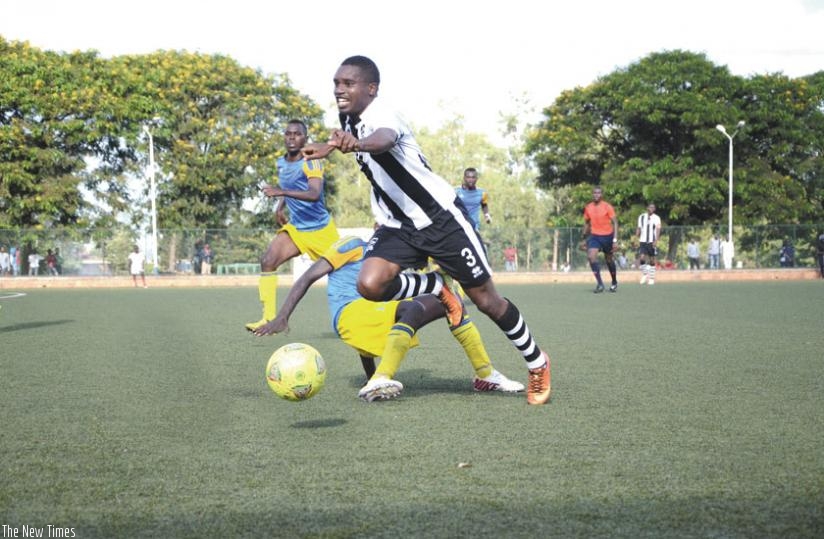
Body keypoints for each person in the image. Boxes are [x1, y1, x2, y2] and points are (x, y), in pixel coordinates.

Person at [300, 55, 550, 405]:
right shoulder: (348, 119)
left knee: (486, 301)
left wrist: (349, 144)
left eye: (348, 83)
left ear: (371, 89)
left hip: (441, 220)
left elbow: (384, 140)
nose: (340, 89)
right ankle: (435, 285)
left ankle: (537, 362)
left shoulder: (381, 115)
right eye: (337, 83)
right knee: (370, 284)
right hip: (399, 225)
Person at [254, 235, 524, 400]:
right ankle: (383, 377)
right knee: (418, 306)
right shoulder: (353, 246)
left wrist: (368, 374)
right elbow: (309, 275)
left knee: (449, 303)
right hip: (348, 314)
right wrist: (282, 316)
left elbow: (367, 339)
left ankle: (485, 375)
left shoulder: (391, 267)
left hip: (359, 318)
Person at [245, 119, 339, 332]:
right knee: (268, 260)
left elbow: (314, 194)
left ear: (305, 138)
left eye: (297, 134)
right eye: (288, 134)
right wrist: (280, 206)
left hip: (321, 230)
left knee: (348, 274)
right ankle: (268, 318)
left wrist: (281, 192)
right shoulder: (281, 162)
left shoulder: (311, 162)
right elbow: (290, 187)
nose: (292, 138)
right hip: (297, 229)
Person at [581, 185, 618, 293]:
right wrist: (584, 238)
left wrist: (615, 240)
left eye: (598, 193)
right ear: (592, 194)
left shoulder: (607, 206)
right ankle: (600, 284)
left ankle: (614, 281)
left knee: (609, 260)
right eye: (594, 193)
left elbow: (615, 222)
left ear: (602, 195)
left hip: (608, 236)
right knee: (591, 257)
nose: (596, 195)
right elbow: (587, 223)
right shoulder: (588, 207)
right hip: (594, 236)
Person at [635, 203, 661, 285]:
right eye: (650, 207)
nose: (652, 208)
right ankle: (645, 274)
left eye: (653, 207)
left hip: (651, 241)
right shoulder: (642, 217)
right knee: (642, 258)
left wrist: (656, 240)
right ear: (647, 208)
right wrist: (636, 236)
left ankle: (652, 278)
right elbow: (639, 227)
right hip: (642, 241)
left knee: (652, 259)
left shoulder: (656, 218)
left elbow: (658, 229)